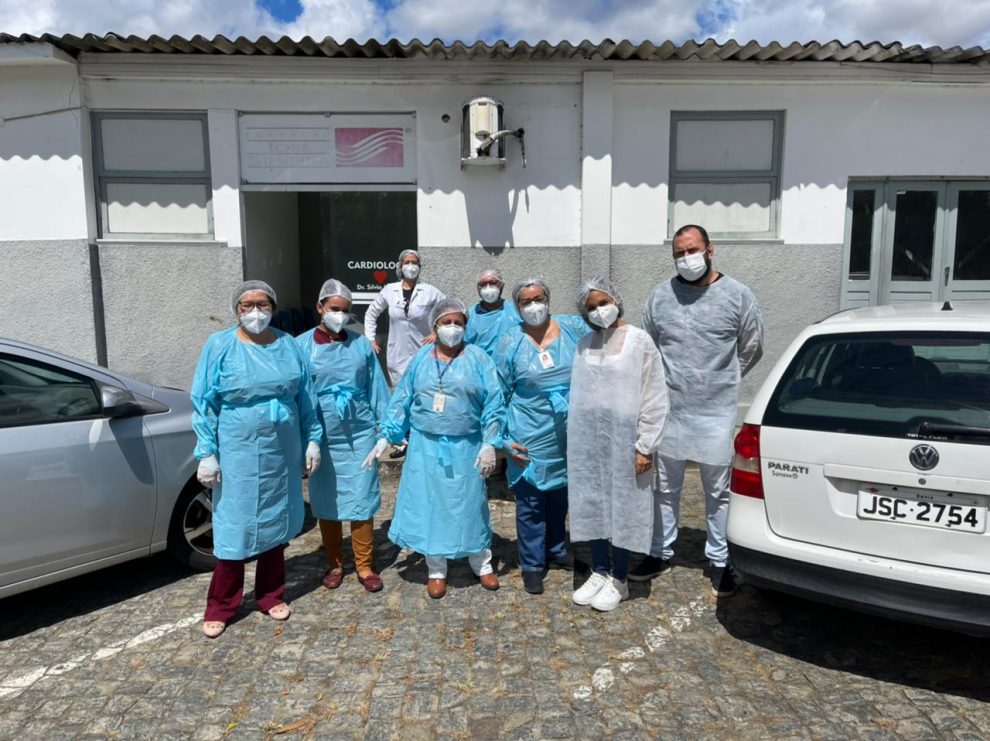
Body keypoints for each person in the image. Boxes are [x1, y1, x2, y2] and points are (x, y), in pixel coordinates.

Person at [634, 224, 764, 597]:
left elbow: (752, 345)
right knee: (665, 487)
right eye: (679, 253)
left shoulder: (737, 295)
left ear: (710, 250)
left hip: (715, 411)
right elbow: (649, 348)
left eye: (692, 250)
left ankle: (720, 559)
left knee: (718, 490)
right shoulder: (661, 297)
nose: (686, 258)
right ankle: (660, 551)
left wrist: (721, 377)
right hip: (670, 408)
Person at [191, 280, 323, 639]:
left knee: (275, 519)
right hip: (239, 448)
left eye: (262, 304)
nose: (255, 312)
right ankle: (222, 605)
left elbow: (306, 396)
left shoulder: (288, 345)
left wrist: (312, 440)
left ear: (273, 308)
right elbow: (204, 402)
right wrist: (207, 452)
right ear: (236, 309)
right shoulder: (220, 345)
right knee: (235, 524)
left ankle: (270, 594)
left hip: (283, 448)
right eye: (246, 305)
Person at [367, 298, 505, 599]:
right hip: (425, 447)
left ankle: (481, 563)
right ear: (435, 325)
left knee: (471, 504)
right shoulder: (421, 359)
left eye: (458, 323)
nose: (452, 328)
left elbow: (494, 403)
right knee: (430, 505)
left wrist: (489, 443)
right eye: (446, 322)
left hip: (466, 445)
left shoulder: (479, 359)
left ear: (466, 326)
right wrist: (386, 435)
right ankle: (436, 568)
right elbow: (403, 397)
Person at [567, 277, 668, 612]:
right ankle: (599, 570)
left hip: (627, 441)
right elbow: (578, 395)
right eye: (591, 307)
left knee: (623, 507)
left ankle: (620, 578)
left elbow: (654, 394)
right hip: (588, 442)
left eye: (603, 303)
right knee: (593, 504)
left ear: (616, 301)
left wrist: (645, 445)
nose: (599, 311)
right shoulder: (584, 344)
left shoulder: (639, 341)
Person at [296, 279, 391, 594]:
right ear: (320, 307)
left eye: (345, 310)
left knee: (362, 498)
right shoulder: (300, 346)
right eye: (334, 308)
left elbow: (376, 387)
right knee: (328, 500)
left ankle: (364, 565)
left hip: (359, 434)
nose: (339, 314)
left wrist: (386, 430)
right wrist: (303, 439)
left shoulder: (361, 345)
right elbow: (296, 394)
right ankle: (334, 563)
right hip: (321, 436)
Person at [496, 278, 588, 594]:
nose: (533, 306)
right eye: (526, 301)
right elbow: (498, 392)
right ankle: (532, 563)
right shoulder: (510, 341)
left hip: (568, 429)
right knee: (531, 499)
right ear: (517, 306)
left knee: (560, 494)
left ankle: (556, 548)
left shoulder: (572, 328)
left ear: (548, 298)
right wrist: (502, 438)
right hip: (527, 428)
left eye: (538, 298)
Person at [363, 249, 445, 458]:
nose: (411, 266)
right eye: (407, 262)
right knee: (401, 396)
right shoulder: (389, 290)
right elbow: (371, 313)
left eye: (414, 262)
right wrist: (370, 338)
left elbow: (447, 309)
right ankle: (404, 440)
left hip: (423, 352)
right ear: (400, 266)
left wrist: (436, 332)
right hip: (397, 352)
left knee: (424, 393)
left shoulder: (429, 291)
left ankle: (423, 438)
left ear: (420, 267)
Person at [465, 268, 521, 358]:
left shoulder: (515, 311)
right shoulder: (470, 316)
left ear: (502, 285)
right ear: (478, 288)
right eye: (483, 284)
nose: (488, 287)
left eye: (493, 283)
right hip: (481, 365)